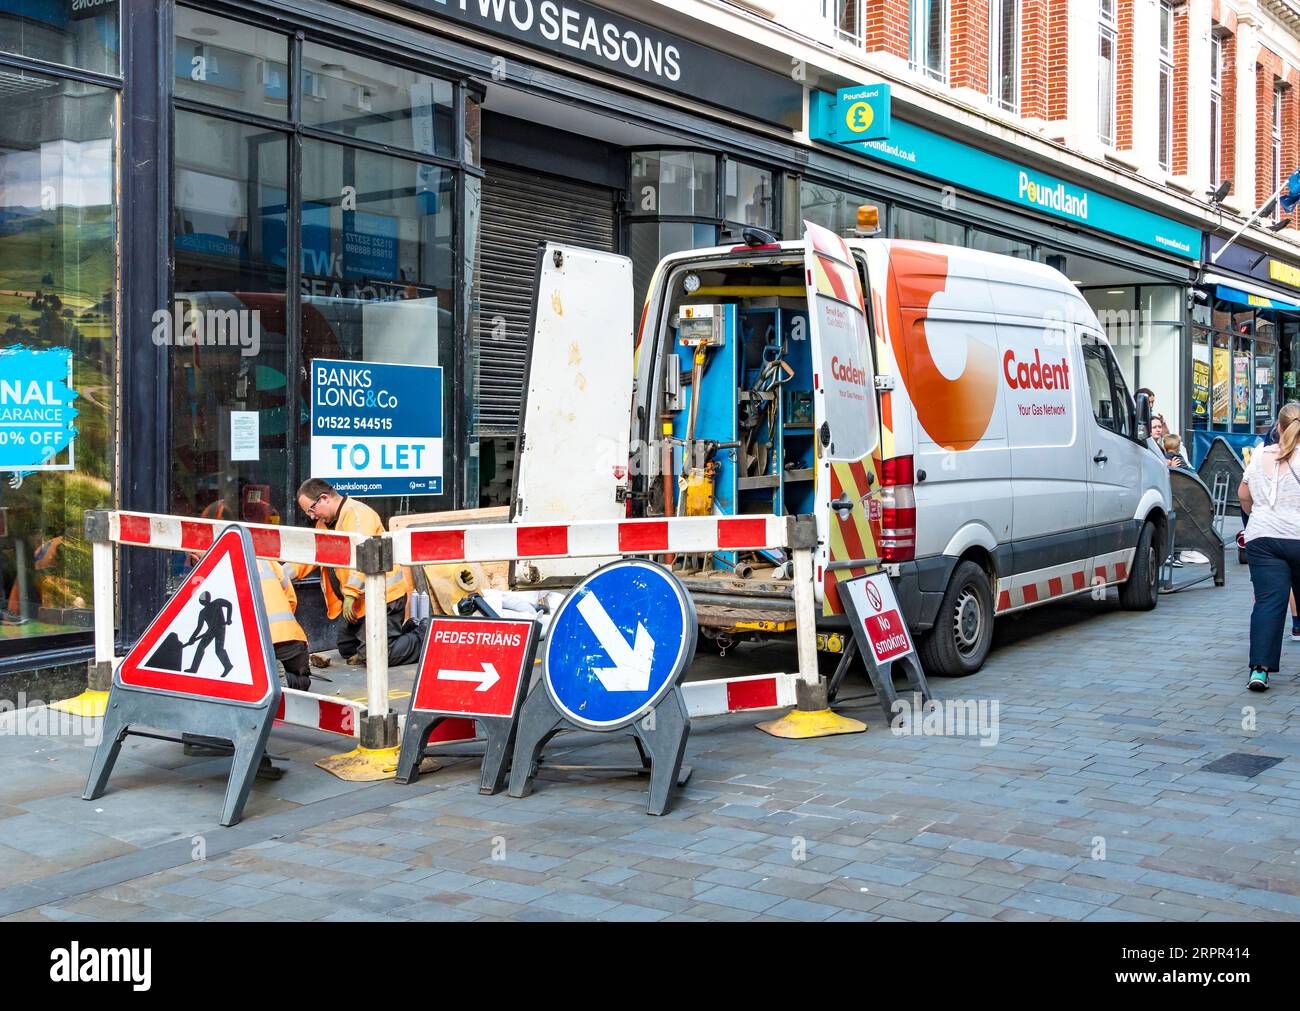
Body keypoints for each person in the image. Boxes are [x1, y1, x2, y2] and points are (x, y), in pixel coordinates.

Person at [294, 478, 421, 666]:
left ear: (324, 498)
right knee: (346, 648)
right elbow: (311, 554)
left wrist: (351, 593)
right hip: (360, 600)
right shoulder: (324, 524)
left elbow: (366, 555)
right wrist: (281, 575)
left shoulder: (358, 515)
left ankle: (423, 634)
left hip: (384, 597)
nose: (312, 516)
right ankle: (397, 633)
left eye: (311, 510)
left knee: (376, 655)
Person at [1238, 401, 1300, 691]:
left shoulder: (1260, 453)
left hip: (1262, 537)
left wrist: (1257, 516)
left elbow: (1243, 494)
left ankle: (1259, 670)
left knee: (1268, 603)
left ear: (1278, 426)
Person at [259, 557, 312, 691]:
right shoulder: (266, 561)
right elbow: (291, 599)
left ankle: (278, 678)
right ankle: (290, 679)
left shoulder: (218, 569)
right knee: (302, 679)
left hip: (261, 646)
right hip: (292, 639)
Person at [184, 590, 233, 676]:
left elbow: (229, 604)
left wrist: (228, 618)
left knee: (218, 650)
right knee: (200, 647)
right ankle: (194, 668)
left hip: (220, 628)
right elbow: (199, 627)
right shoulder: (203, 612)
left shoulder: (217, 602)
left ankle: (227, 666)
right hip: (210, 631)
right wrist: (192, 638)